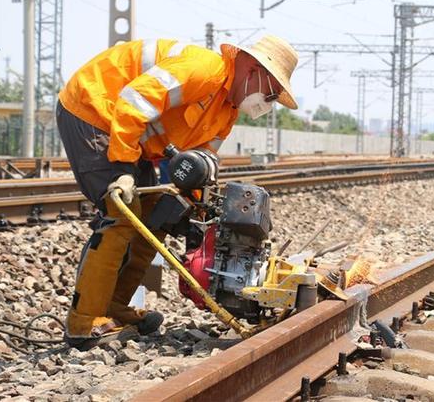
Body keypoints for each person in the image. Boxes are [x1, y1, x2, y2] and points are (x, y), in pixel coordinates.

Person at [56, 36, 299, 347]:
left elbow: (199, 164)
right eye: (272, 93)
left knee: (154, 220)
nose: (269, 102)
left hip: (131, 137)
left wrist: (198, 212)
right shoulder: (204, 69)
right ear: (254, 70)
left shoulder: (226, 112)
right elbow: (134, 100)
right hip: (94, 111)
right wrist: (122, 172)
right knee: (123, 215)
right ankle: (84, 322)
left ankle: (114, 309)